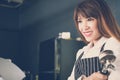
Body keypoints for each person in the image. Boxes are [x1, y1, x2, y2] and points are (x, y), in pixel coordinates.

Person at [68, 0, 120, 80]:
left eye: (90, 19)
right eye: (80, 21)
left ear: (103, 20)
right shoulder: (81, 53)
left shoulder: (113, 44)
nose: (84, 27)